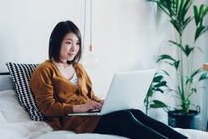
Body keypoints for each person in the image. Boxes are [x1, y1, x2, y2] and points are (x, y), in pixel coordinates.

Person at [30, 20, 187, 139]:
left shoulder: (78, 68)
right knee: (125, 118)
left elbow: (91, 96)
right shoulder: (44, 70)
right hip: (74, 120)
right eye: (68, 43)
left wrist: (104, 103)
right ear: (56, 42)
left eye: (77, 43)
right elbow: (47, 107)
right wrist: (79, 108)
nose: (74, 49)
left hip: (92, 114)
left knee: (134, 112)